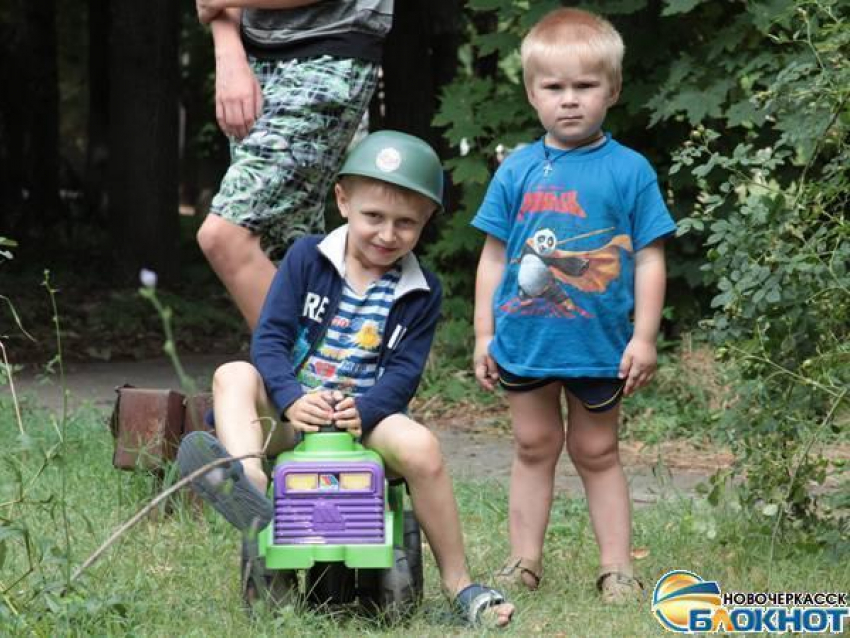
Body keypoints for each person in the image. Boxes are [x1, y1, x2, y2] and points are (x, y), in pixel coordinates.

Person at [179, 131, 515, 627]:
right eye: (373, 217)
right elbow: (269, 340)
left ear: (425, 222)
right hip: (293, 416)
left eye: (406, 223)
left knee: (422, 448)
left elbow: (404, 372)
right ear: (343, 201)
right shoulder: (306, 259)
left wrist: (369, 410)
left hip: (365, 420)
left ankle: (461, 586)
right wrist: (291, 399)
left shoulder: (421, 291)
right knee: (233, 374)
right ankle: (247, 484)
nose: (387, 234)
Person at [471, 8, 676, 604]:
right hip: (525, 341)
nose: (569, 101)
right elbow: (491, 258)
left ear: (611, 89)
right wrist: (484, 333)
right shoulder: (515, 168)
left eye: (585, 86)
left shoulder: (631, 170)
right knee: (533, 447)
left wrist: (644, 337)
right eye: (554, 87)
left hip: (599, 345)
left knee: (597, 451)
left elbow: (650, 259)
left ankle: (617, 569)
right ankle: (523, 562)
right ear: (532, 92)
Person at [194, 0, 393, 329]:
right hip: (254, 59)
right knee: (285, 253)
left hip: (331, 49)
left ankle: (319, 367)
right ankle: (336, 369)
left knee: (226, 235)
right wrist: (229, 55)